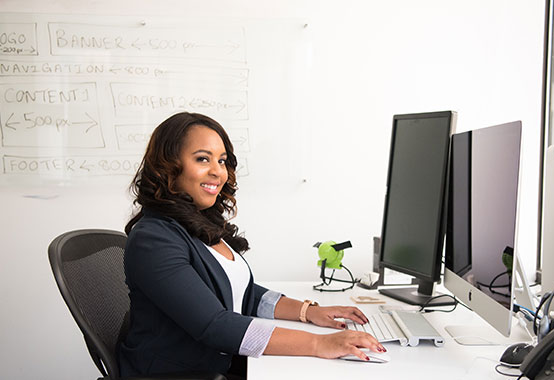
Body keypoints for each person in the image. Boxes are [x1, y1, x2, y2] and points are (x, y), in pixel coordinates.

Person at [118, 112, 384, 379]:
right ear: (168, 166)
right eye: (202, 159)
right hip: (179, 372)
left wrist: (309, 312)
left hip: (218, 364)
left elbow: (245, 294)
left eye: (221, 161)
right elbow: (215, 325)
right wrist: (319, 343)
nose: (217, 171)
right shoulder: (153, 239)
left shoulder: (200, 223)